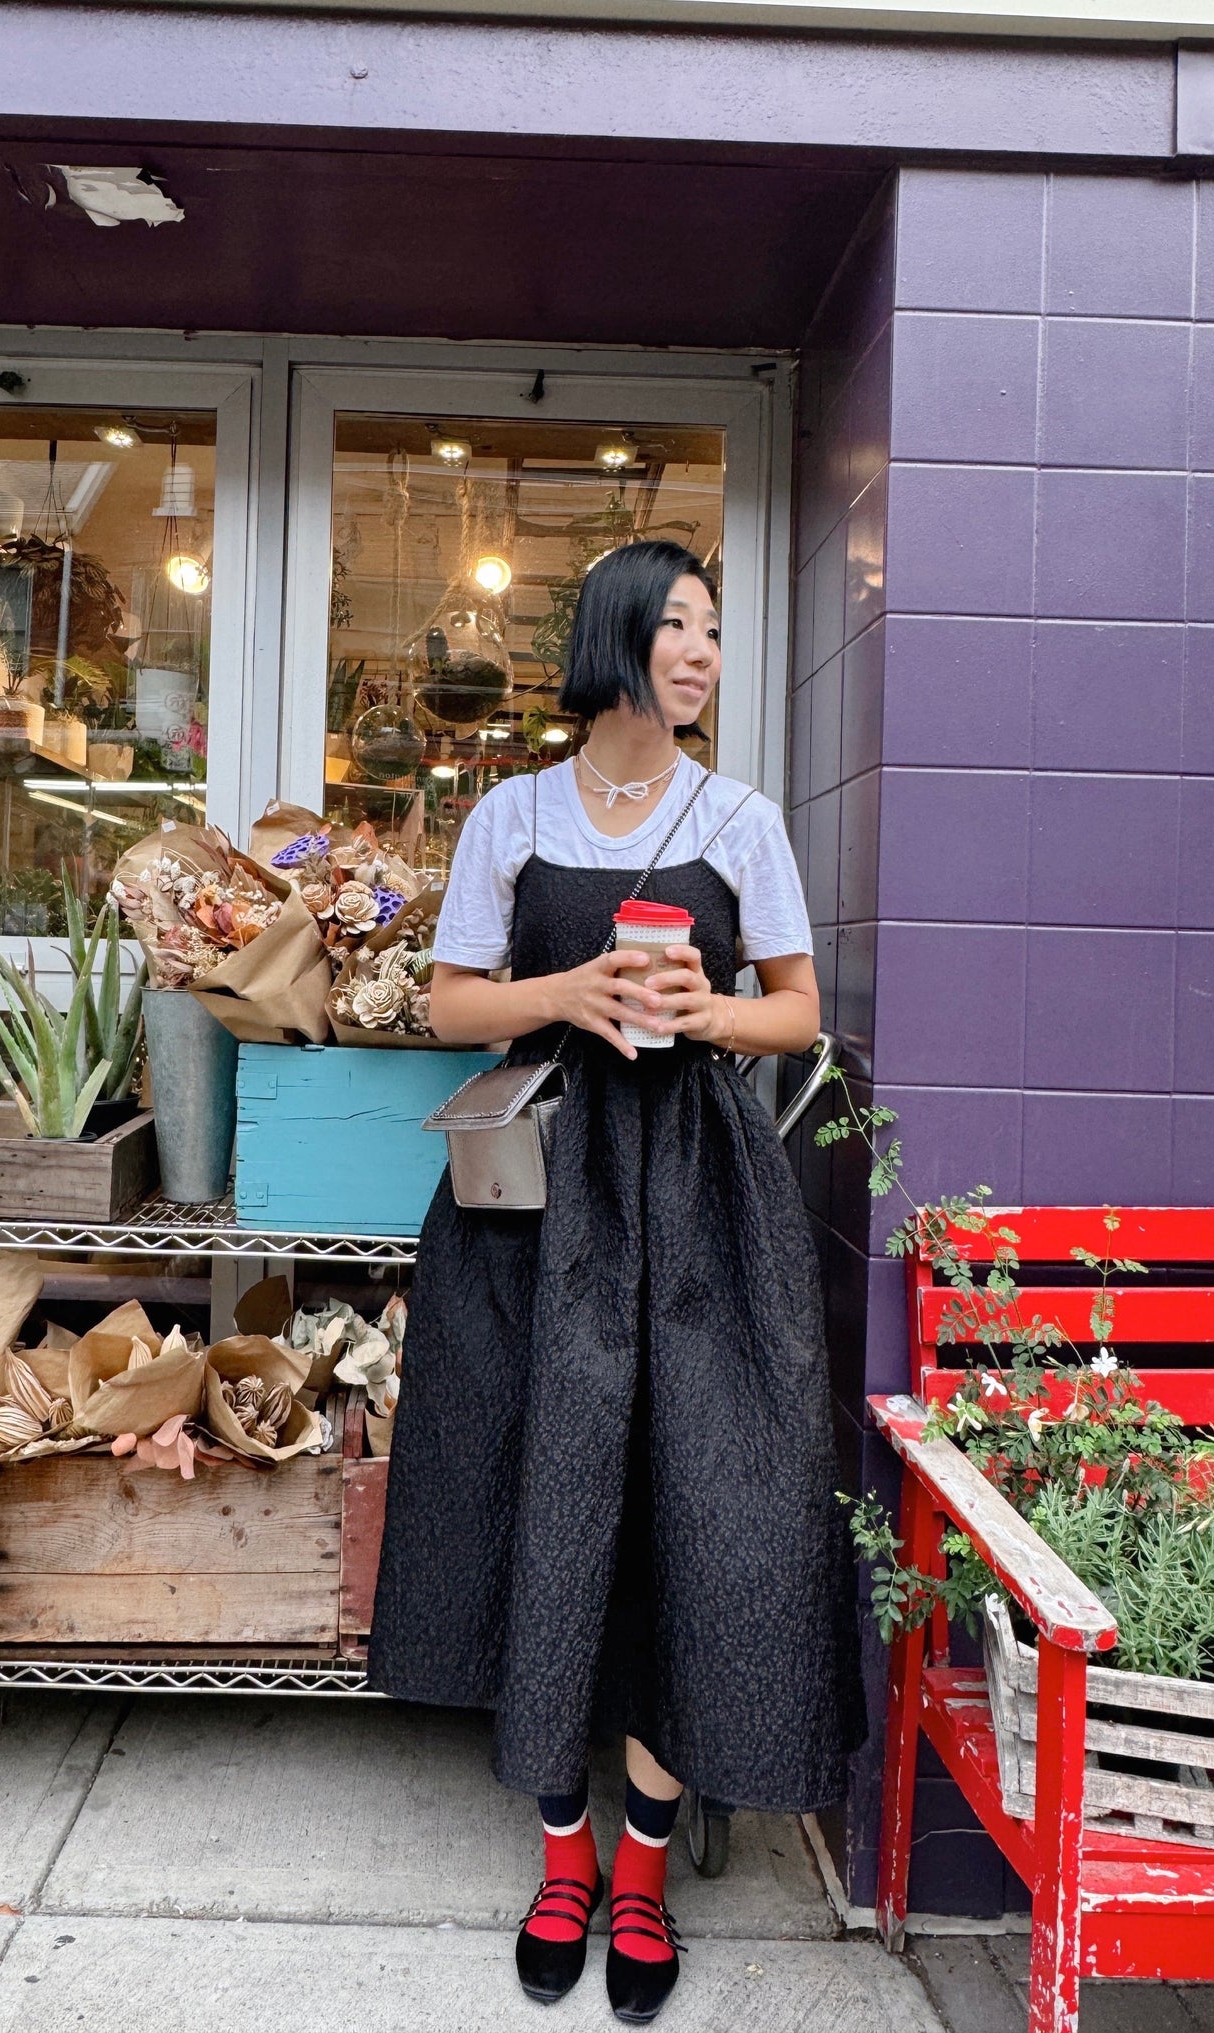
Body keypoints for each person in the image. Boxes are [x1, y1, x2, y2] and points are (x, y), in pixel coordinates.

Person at [369, 540, 862, 2024]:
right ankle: (564, 1853)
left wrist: (705, 1008)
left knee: (703, 1506)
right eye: (680, 628)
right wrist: (568, 995)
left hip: (704, 1207)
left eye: (714, 631)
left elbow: (800, 1017)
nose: (703, 653)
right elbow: (453, 1001)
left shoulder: (742, 817)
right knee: (546, 1492)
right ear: (615, 639)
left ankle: (644, 1859)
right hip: (538, 1209)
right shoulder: (510, 814)